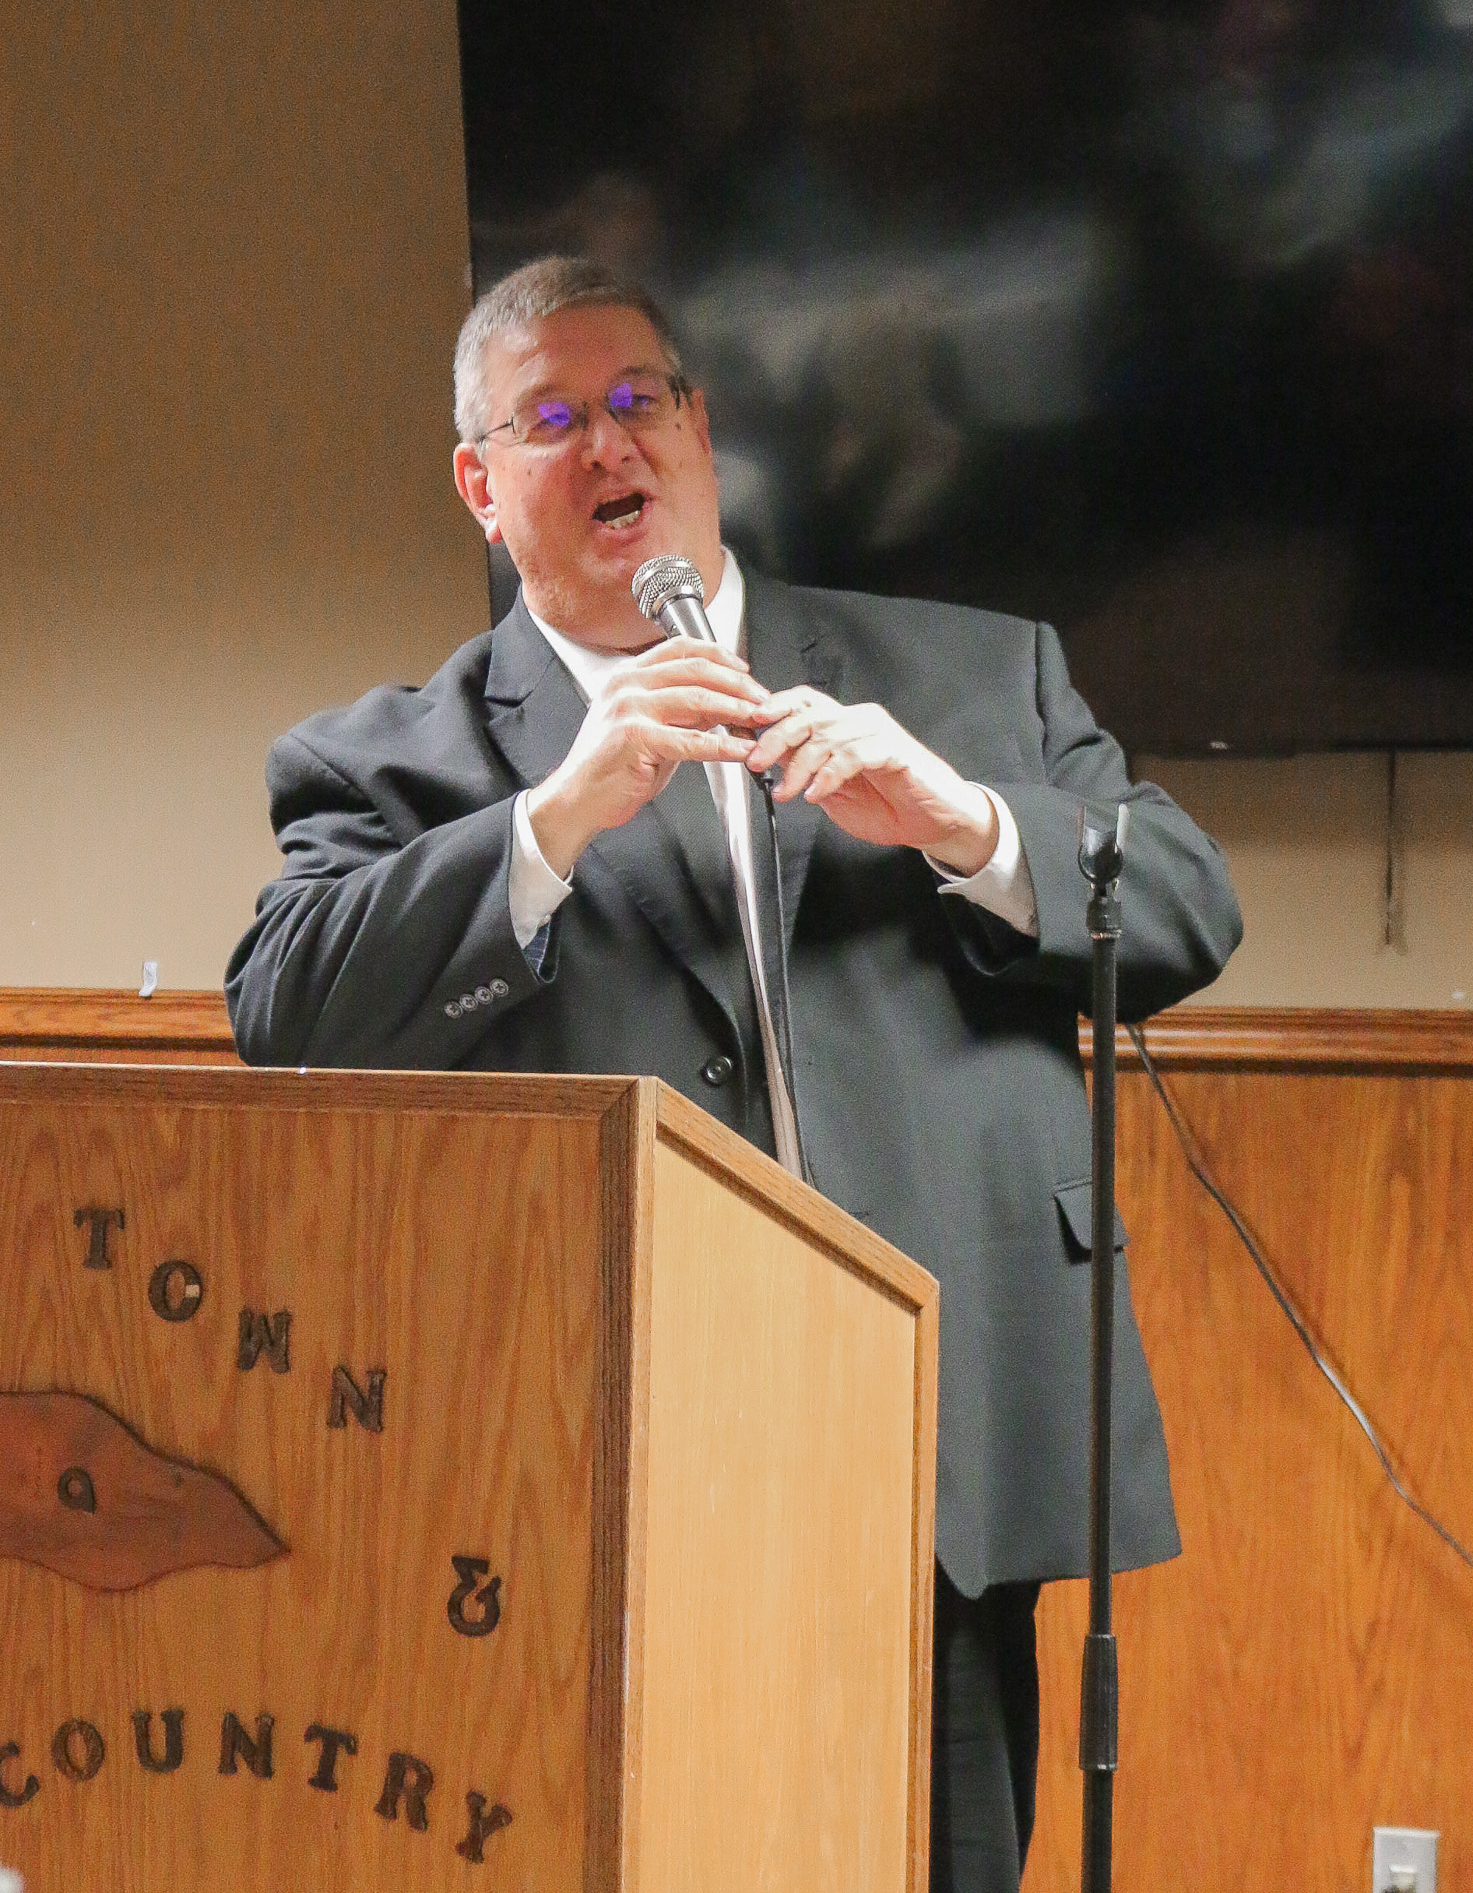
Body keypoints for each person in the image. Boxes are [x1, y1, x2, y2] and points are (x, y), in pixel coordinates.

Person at [226, 255, 1241, 1891]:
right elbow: (285, 1008)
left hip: (939, 1450)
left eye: (639, 401)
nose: (609, 442)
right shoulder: (388, 760)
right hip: (593, 1469)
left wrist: (964, 826)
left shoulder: (978, 676)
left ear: (699, 431)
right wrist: (554, 817)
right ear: (484, 489)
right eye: (551, 419)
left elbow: (1187, 909)